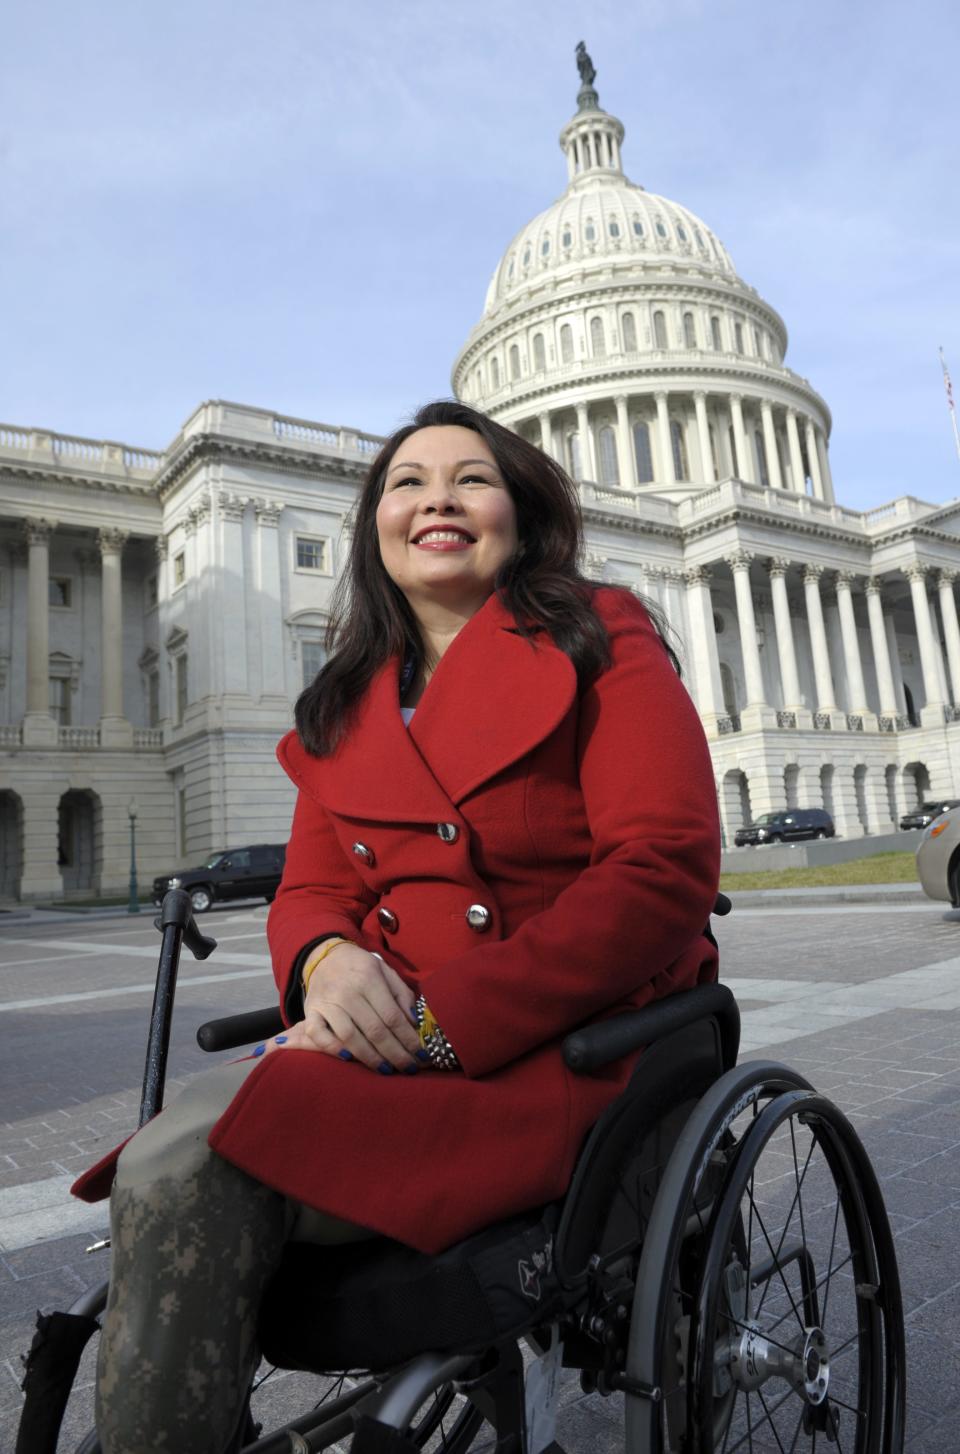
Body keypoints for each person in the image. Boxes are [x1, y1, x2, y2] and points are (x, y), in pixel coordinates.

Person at [73, 399, 720, 1454]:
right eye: (408, 482)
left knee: (187, 1162)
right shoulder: (348, 699)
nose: (437, 499)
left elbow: (661, 871)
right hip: (388, 1048)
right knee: (180, 1145)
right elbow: (313, 893)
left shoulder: (602, 636)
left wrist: (442, 1015)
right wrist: (326, 965)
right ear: (376, 522)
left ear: (520, 512)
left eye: (472, 477)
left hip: (558, 1047)